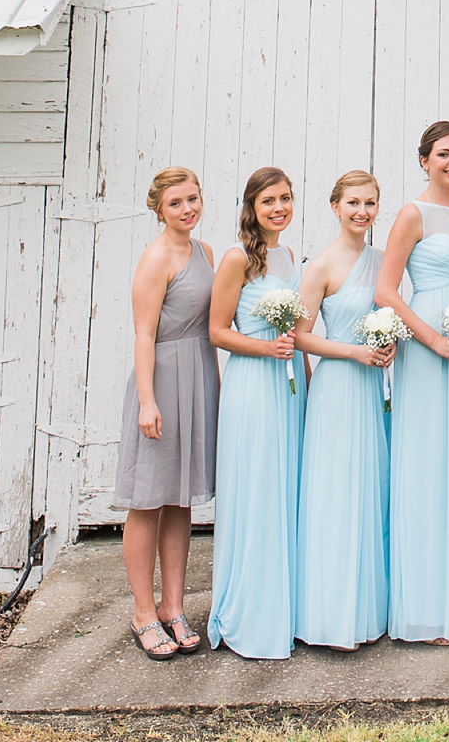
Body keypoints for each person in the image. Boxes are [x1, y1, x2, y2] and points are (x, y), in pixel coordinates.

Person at [376, 120, 449, 643]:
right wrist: (433, 340)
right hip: (426, 348)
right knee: (427, 465)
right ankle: (424, 607)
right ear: (424, 160)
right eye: (443, 154)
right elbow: (386, 291)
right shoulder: (411, 215)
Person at [114, 167, 218, 659]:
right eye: (176, 203)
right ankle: (142, 611)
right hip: (162, 380)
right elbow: (143, 333)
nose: (187, 209)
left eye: (193, 199)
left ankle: (173, 606)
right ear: (160, 209)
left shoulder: (205, 252)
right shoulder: (155, 258)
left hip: (197, 376)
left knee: (181, 500)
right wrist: (148, 400)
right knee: (148, 498)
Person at [207, 167, 307, 660]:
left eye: (286, 198)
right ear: (252, 206)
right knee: (259, 488)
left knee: (287, 488)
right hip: (254, 382)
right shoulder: (236, 258)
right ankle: (250, 611)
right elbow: (217, 332)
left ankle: (286, 605)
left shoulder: (290, 256)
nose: (279, 208)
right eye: (269, 201)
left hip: (292, 385)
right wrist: (265, 351)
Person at [294, 170, 394, 648]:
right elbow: (301, 335)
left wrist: (387, 345)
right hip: (337, 387)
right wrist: (354, 351)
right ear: (335, 207)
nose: (362, 212)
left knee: (368, 489)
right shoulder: (322, 265)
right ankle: (330, 617)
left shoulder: (382, 261)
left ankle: (367, 611)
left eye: (370, 204)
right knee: (336, 492)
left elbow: (389, 315)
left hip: (372, 387)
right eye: (353, 203)